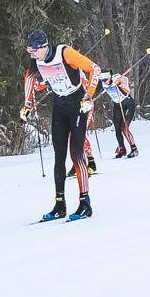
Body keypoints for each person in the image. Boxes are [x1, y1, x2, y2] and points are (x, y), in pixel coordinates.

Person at [23, 30, 101, 220]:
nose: (31, 55)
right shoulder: (37, 59)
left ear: (44, 47)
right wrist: (27, 103)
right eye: (29, 51)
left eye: (33, 51)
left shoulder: (64, 53)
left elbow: (94, 69)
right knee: (59, 156)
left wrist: (89, 95)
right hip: (59, 105)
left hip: (77, 104)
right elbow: (30, 78)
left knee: (76, 153)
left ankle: (85, 203)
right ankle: (60, 204)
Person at [102, 69, 139, 158]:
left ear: (110, 76)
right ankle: (122, 149)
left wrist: (119, 84)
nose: (104, 80)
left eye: (105, 78)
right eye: (102, 78)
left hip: (128, 104)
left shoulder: (118, 78)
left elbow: (127, 91)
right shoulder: (103, 83)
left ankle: (134, 149)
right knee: (117, 128)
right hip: (117, 106)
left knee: (124, 128)